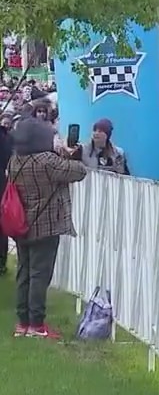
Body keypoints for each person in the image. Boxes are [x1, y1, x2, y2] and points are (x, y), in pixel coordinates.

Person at [9, 116, 89, 338]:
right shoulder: (47, 161)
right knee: (39, 275)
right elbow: (79, 172)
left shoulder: (15, 160)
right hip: (46, 225)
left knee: (24, 273)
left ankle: (22, 323)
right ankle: (37, 325)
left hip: (21, 224)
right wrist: (70, 154)